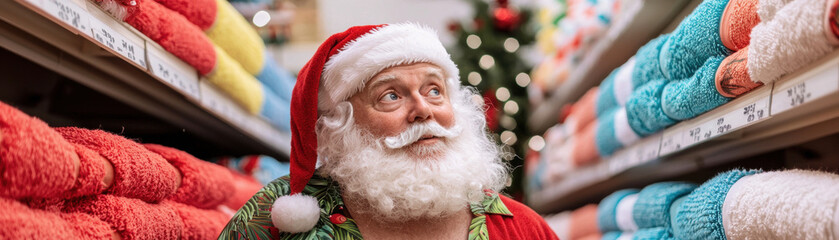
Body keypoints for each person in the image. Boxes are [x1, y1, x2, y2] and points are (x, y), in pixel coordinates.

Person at [218, 23, 559, 240]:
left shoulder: (521, 228)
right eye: (390, 96)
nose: (423, 109)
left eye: (434, 90)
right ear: (340, 124)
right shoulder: (274, 220)